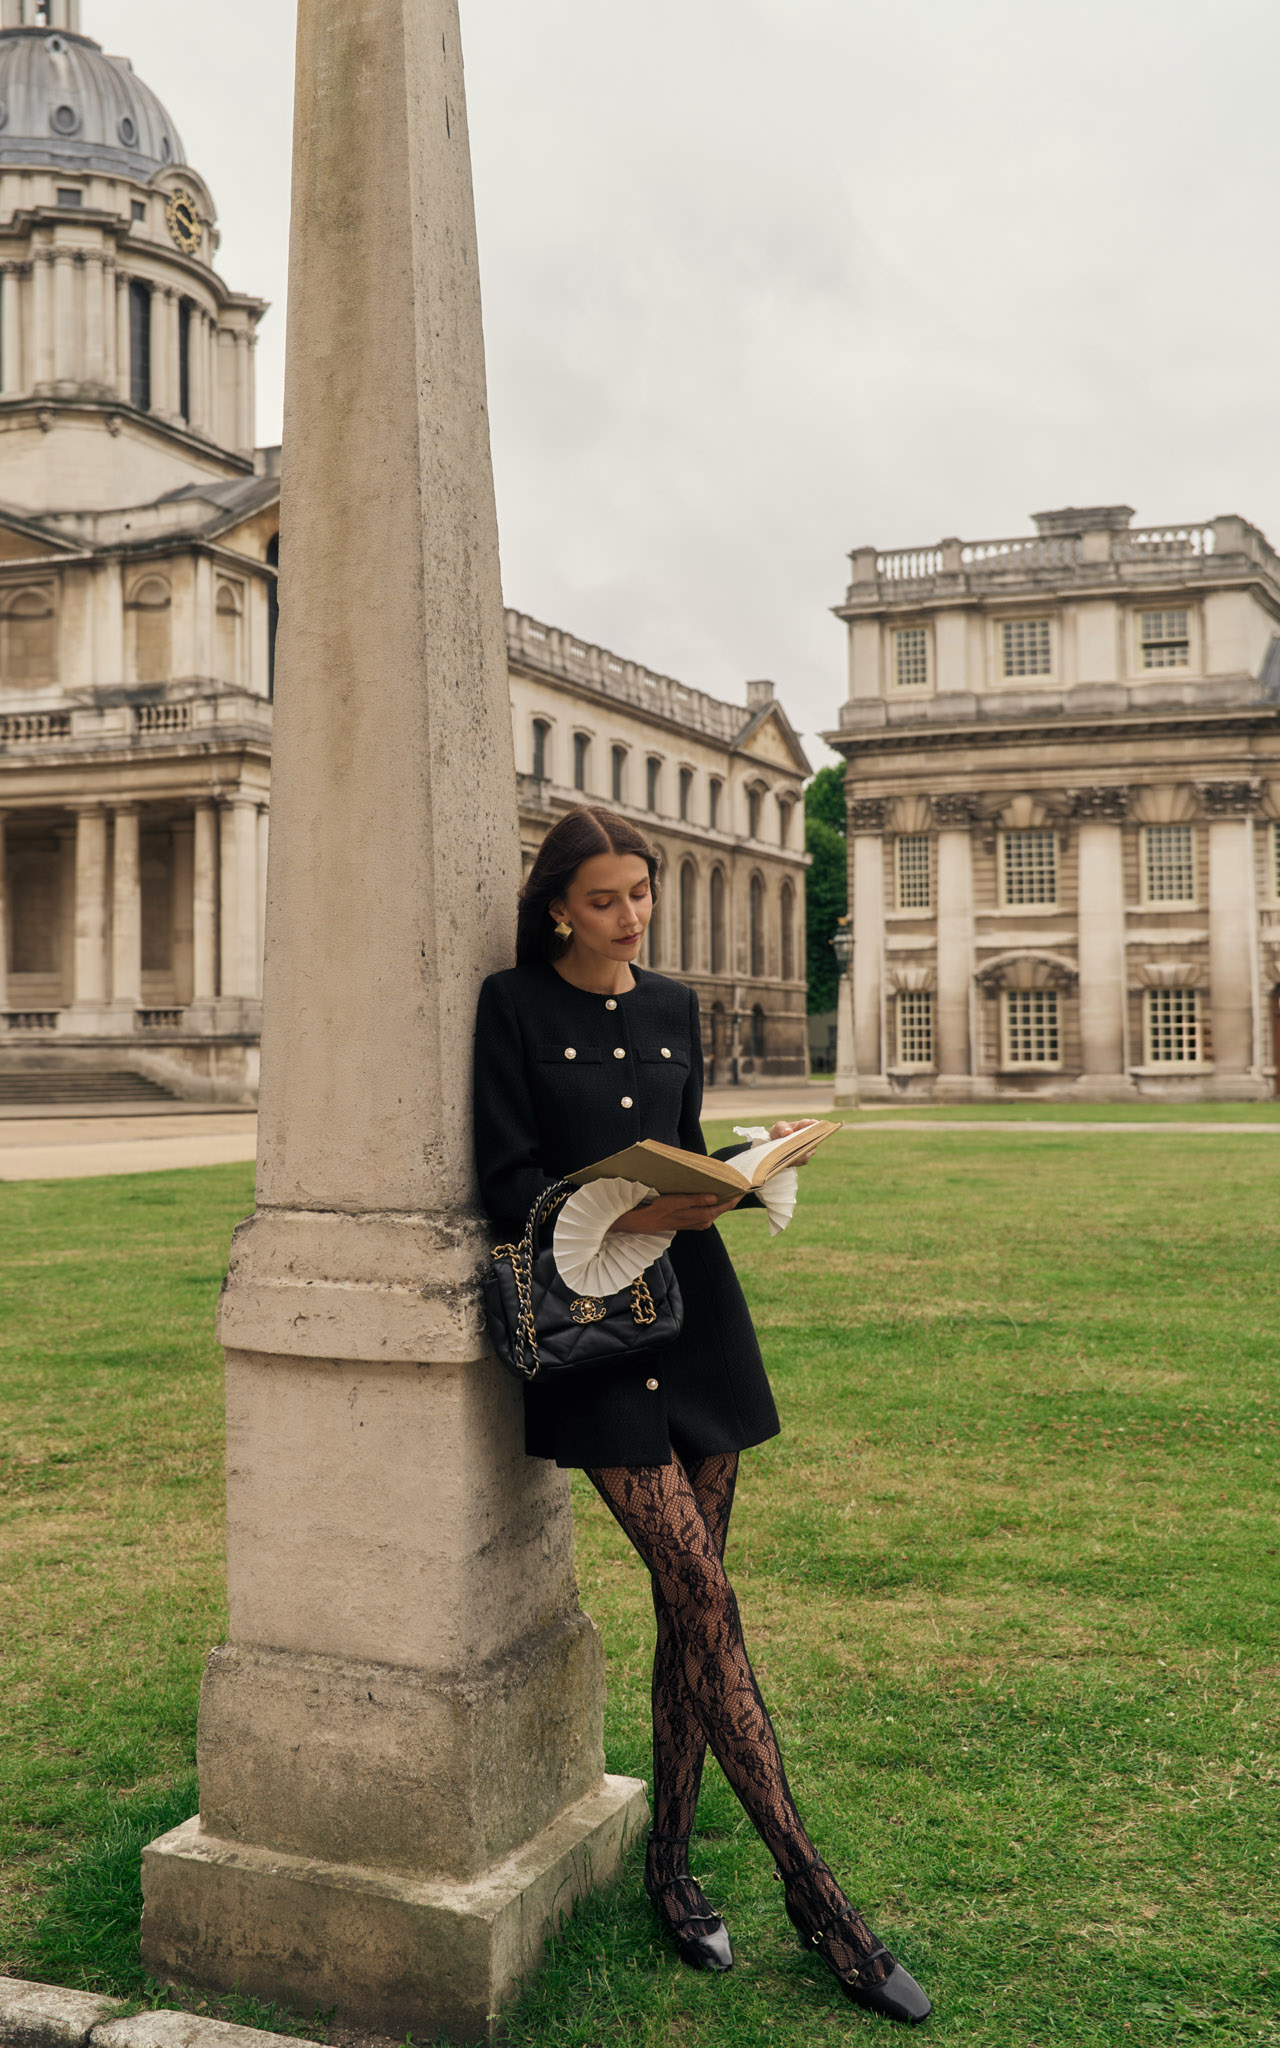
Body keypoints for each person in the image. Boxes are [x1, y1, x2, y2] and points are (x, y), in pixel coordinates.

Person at [473, 805, 930, 2026]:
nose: (633, 916)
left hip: (698, 1318)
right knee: (704, 1593)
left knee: (695, 1603)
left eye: (643, 894)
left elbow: (683, 1154)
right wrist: (623, 1209)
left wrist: (743, 1165)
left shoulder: (673, 1005)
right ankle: (817, 1896)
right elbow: (506, 1178)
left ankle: (672, 1868)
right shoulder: (512, 1006)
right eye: (609, 897)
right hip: (595, 1335)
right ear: (560, 905)